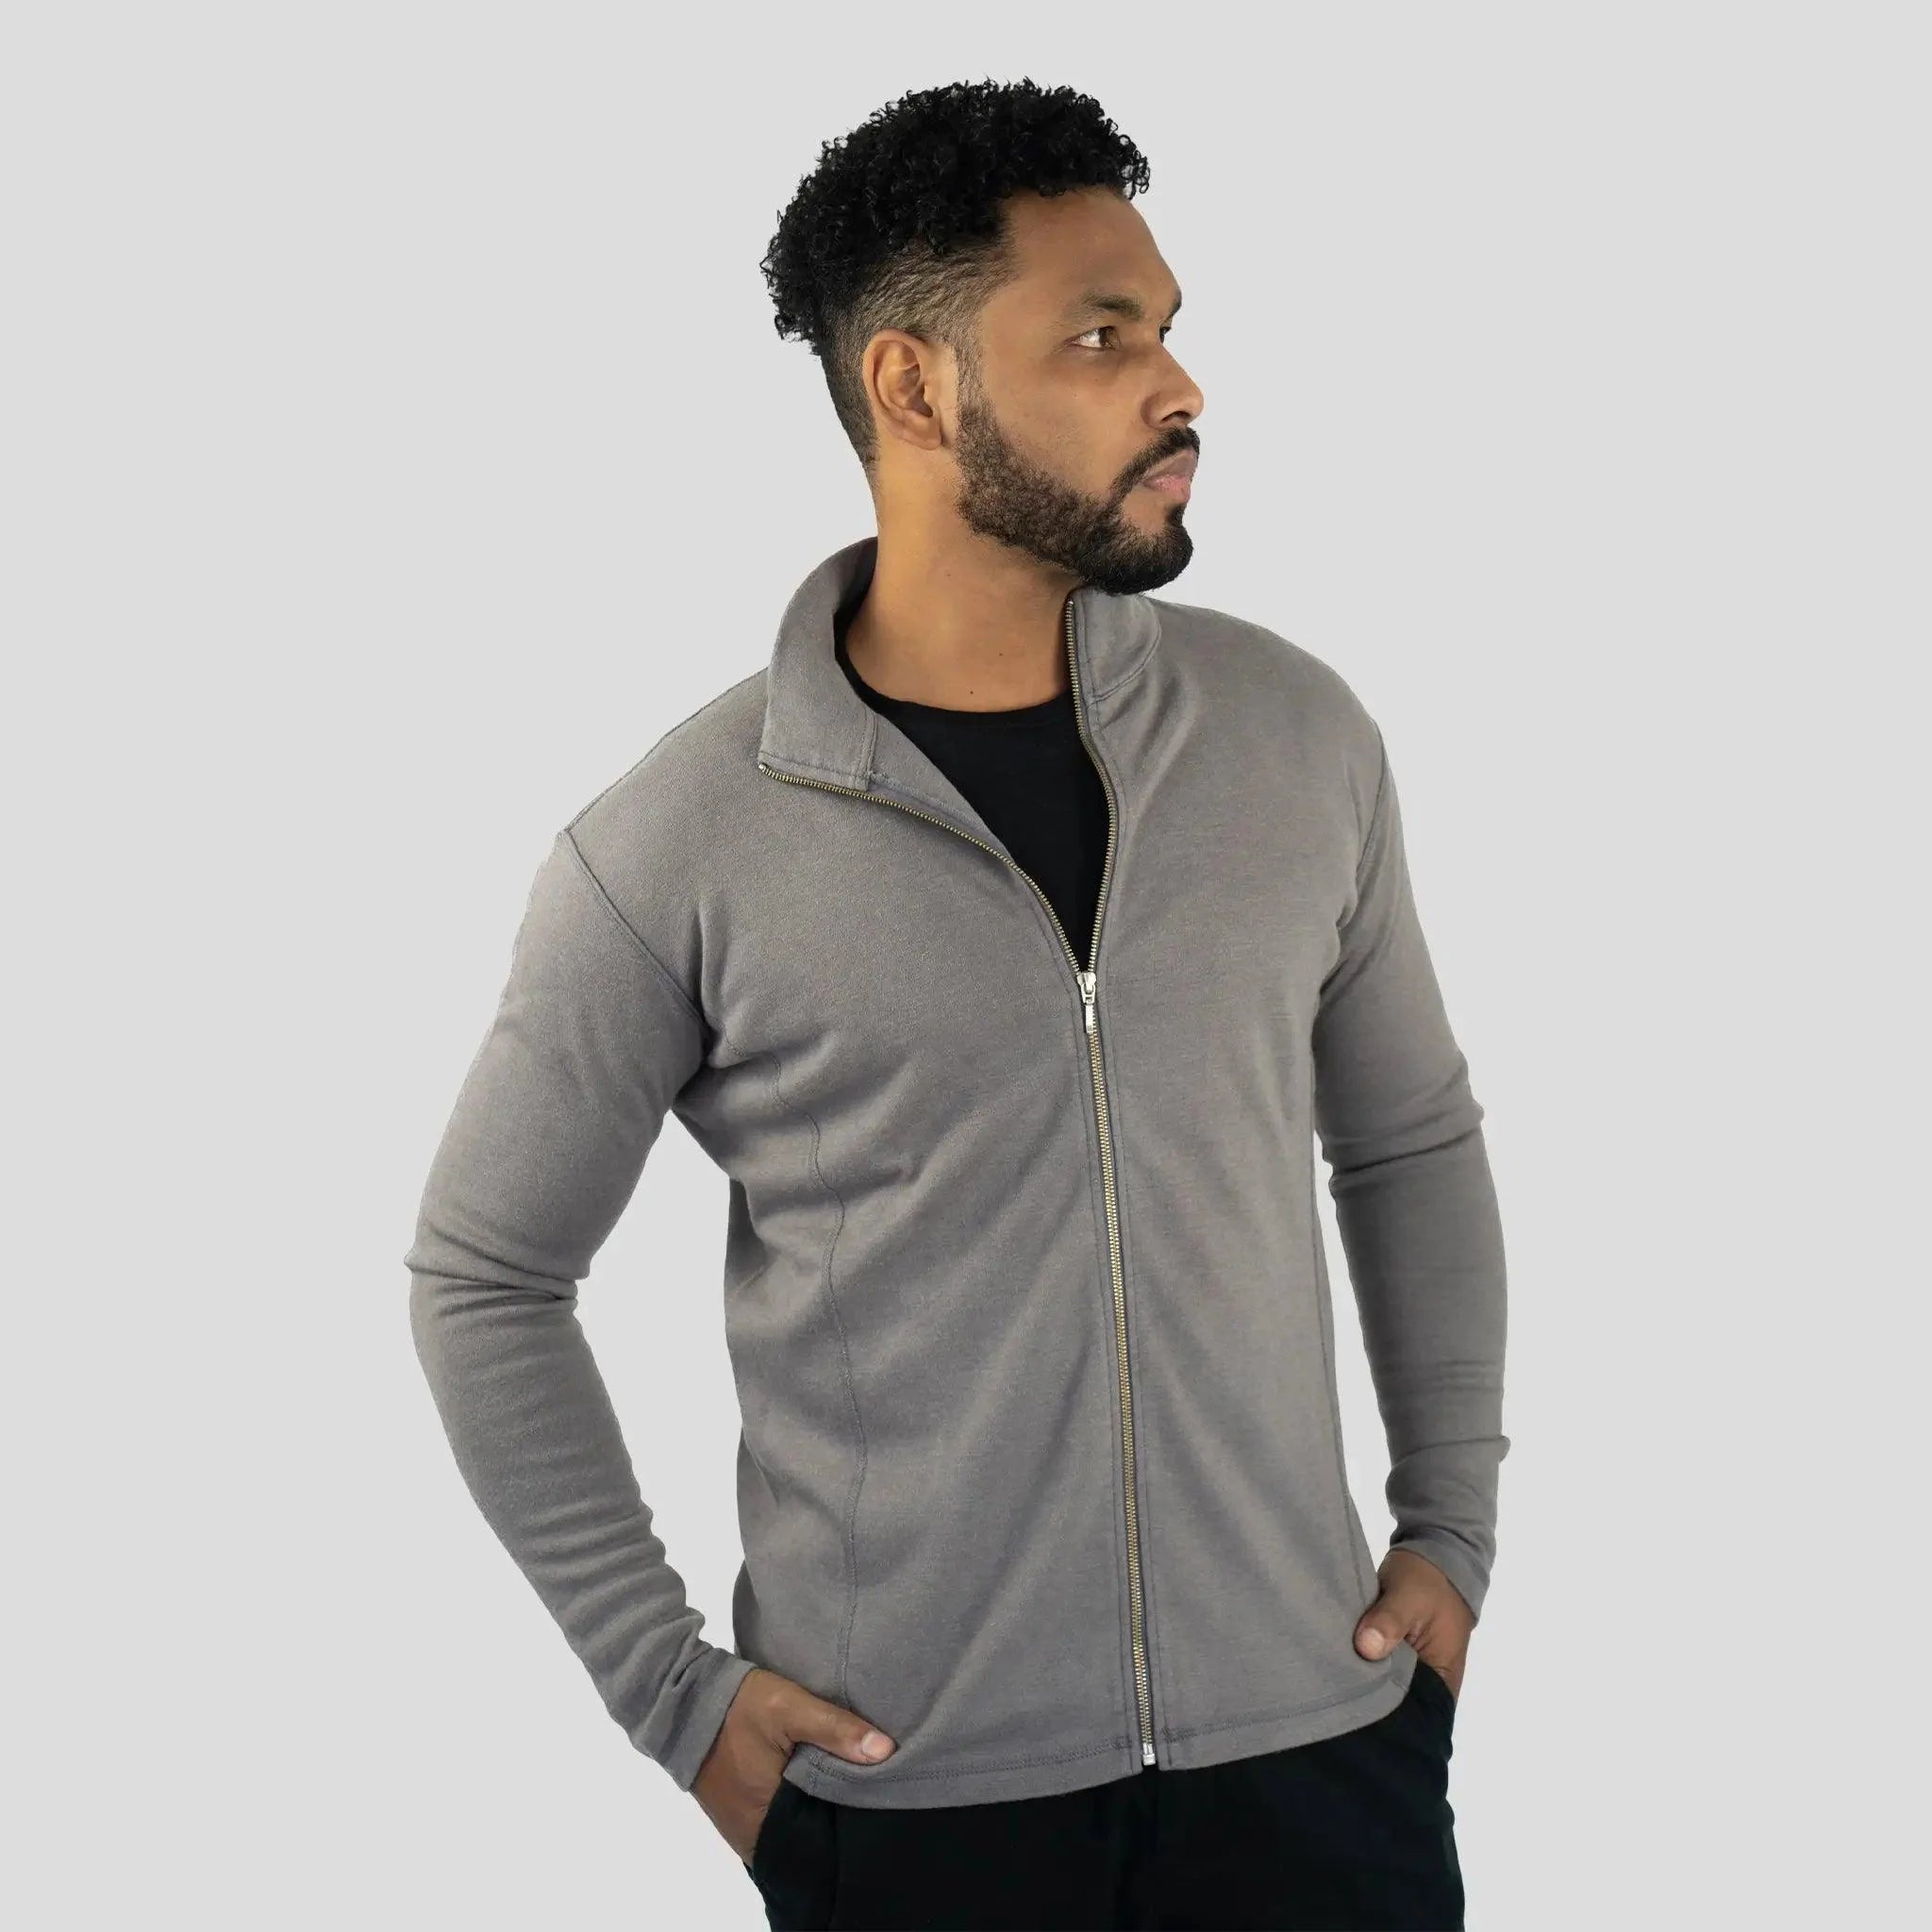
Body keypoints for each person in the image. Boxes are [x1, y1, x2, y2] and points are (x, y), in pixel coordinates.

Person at [405, 76, 1508, 1932]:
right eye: (1101, 336)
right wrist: (674, 1694)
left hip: (1323, 1758)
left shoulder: (1297, 739)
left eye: (1165, 328)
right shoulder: (679, 843)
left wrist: (1450, 1537)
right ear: (913, 390)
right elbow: (484, 1277)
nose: (1180, 386)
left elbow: (1405, 1144)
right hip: (918, 1810)